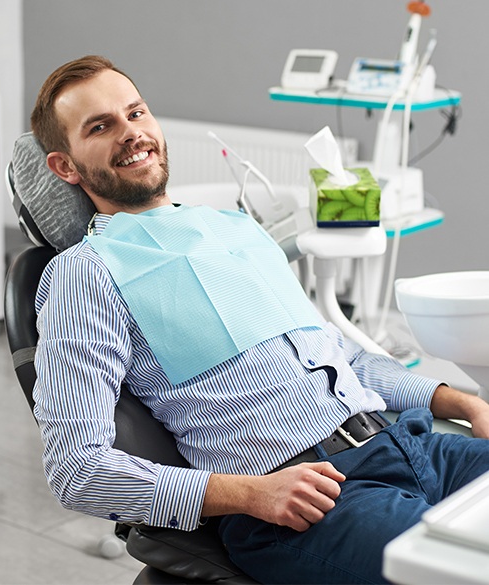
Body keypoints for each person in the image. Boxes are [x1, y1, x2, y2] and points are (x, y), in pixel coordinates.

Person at [30, 55, 489, 584]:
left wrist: (461, 401)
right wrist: (249, 494)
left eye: (135, 114)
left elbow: (344, 357)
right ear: (66, 166)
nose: (131, 134)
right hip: (305, 499)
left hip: (406, 444)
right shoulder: (83, 274)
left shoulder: (235, 229)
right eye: (101, 126)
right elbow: (75, 470)